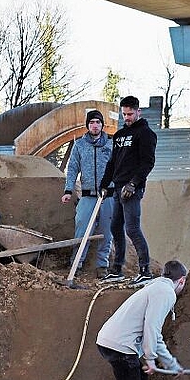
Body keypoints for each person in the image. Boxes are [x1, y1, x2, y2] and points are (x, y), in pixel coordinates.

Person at [99, 95, 157, 286]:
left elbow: (147, 163)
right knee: (116, 227)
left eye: (130, 114)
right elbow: (112, 163)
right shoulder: (119, 135)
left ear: (138, 111)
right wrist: (104, 184)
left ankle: (145, 270)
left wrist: (133, 184)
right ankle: (117, 270)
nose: (127, 117)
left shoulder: (146, 133)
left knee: (132, 229)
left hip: (132, 189)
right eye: (124, 114)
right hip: (117, 187)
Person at [61, 109, 114, 279]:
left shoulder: (111, 144)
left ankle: (102, 265)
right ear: (87, 125)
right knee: (82, 227)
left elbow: (119, 168)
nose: (95, 125)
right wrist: (68, 190)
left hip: (108, 196)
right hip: (88, 195)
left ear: (102, 125)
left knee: (106, 231)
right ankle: (77, 261)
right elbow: (72, 169)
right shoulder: (80, 145)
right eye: (91, 122)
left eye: (98, 122)